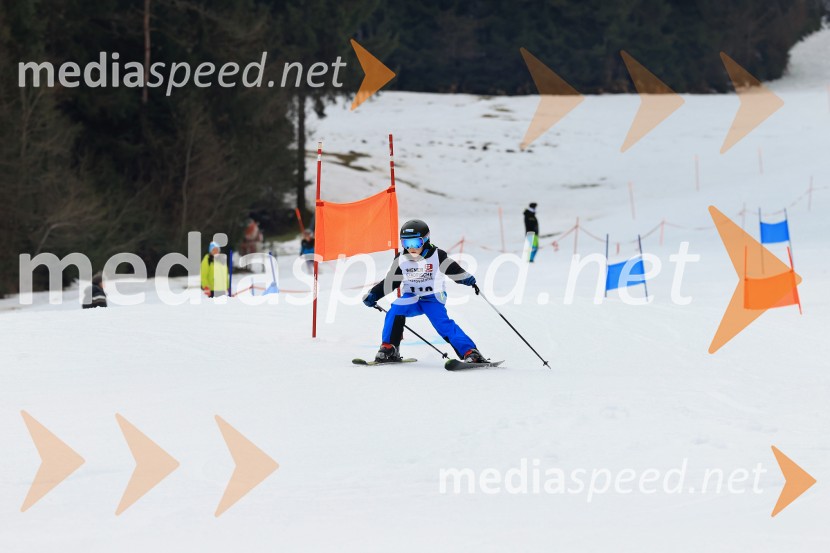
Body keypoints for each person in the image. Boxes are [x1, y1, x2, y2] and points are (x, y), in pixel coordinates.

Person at [362, 219, 486, 363]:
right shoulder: (401, 259)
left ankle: (471, 352)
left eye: (416, 243)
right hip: (411, 296)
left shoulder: (437, 255)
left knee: (442, 324)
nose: (411, 248)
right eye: (406, 243)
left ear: (425, 240)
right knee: (395, 310)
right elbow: (391, 282)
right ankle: (389, 348)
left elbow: (453, 270)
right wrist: (374, 294)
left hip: (432, 298)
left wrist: (465, 278)